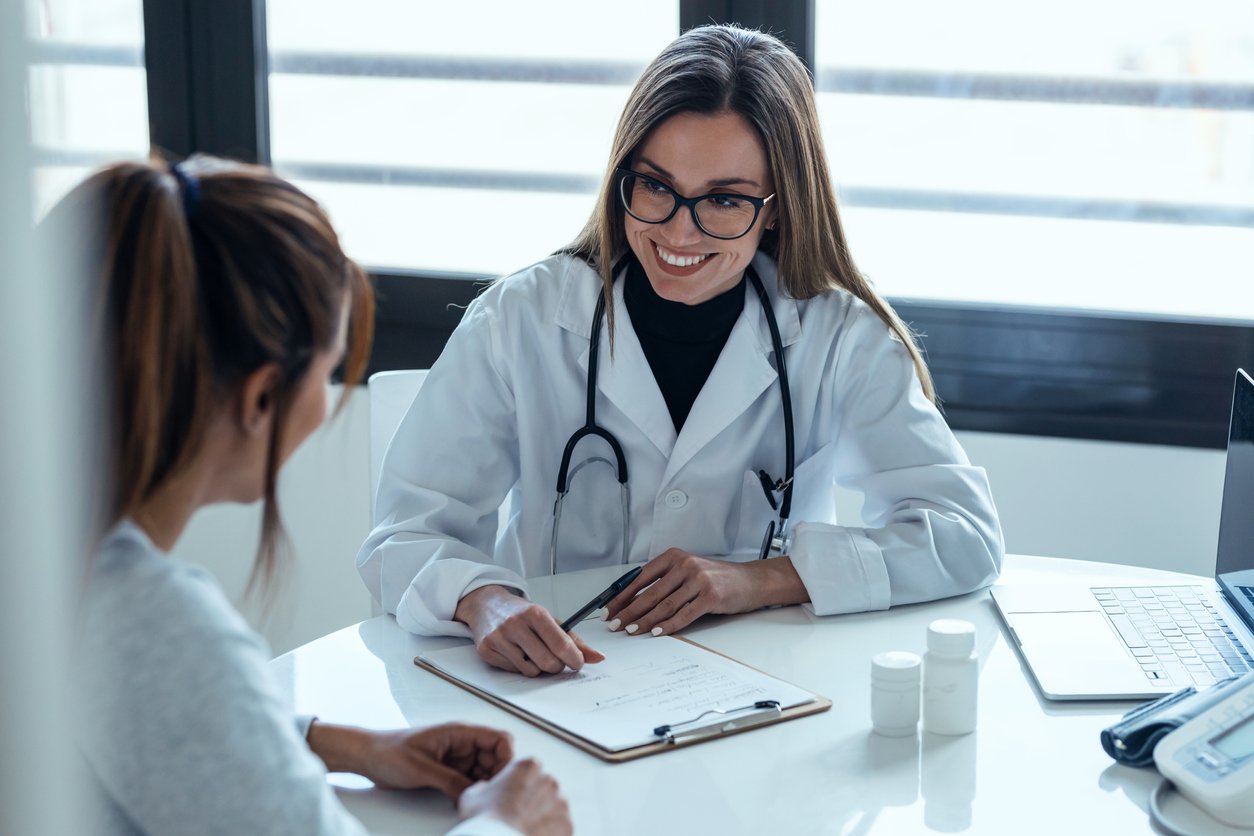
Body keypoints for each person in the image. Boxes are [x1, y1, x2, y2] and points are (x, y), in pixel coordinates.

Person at [359, 24, 1003, 677]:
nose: (678, 230)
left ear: (778, 207)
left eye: (724, 199)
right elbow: (404, 537)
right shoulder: (521, 321)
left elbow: (965, 537)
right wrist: (480, 599)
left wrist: (758, 580)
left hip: (763, 690)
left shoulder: (840, 340)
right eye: (656, 187)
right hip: (563, 681)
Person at [65, 156, 571, 835]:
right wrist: (507, 822)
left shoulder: (62, 561)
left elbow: (145, 722)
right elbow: (163, 685)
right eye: (331, 369)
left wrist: (336, 743)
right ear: (261, 397)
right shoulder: (153, 620)